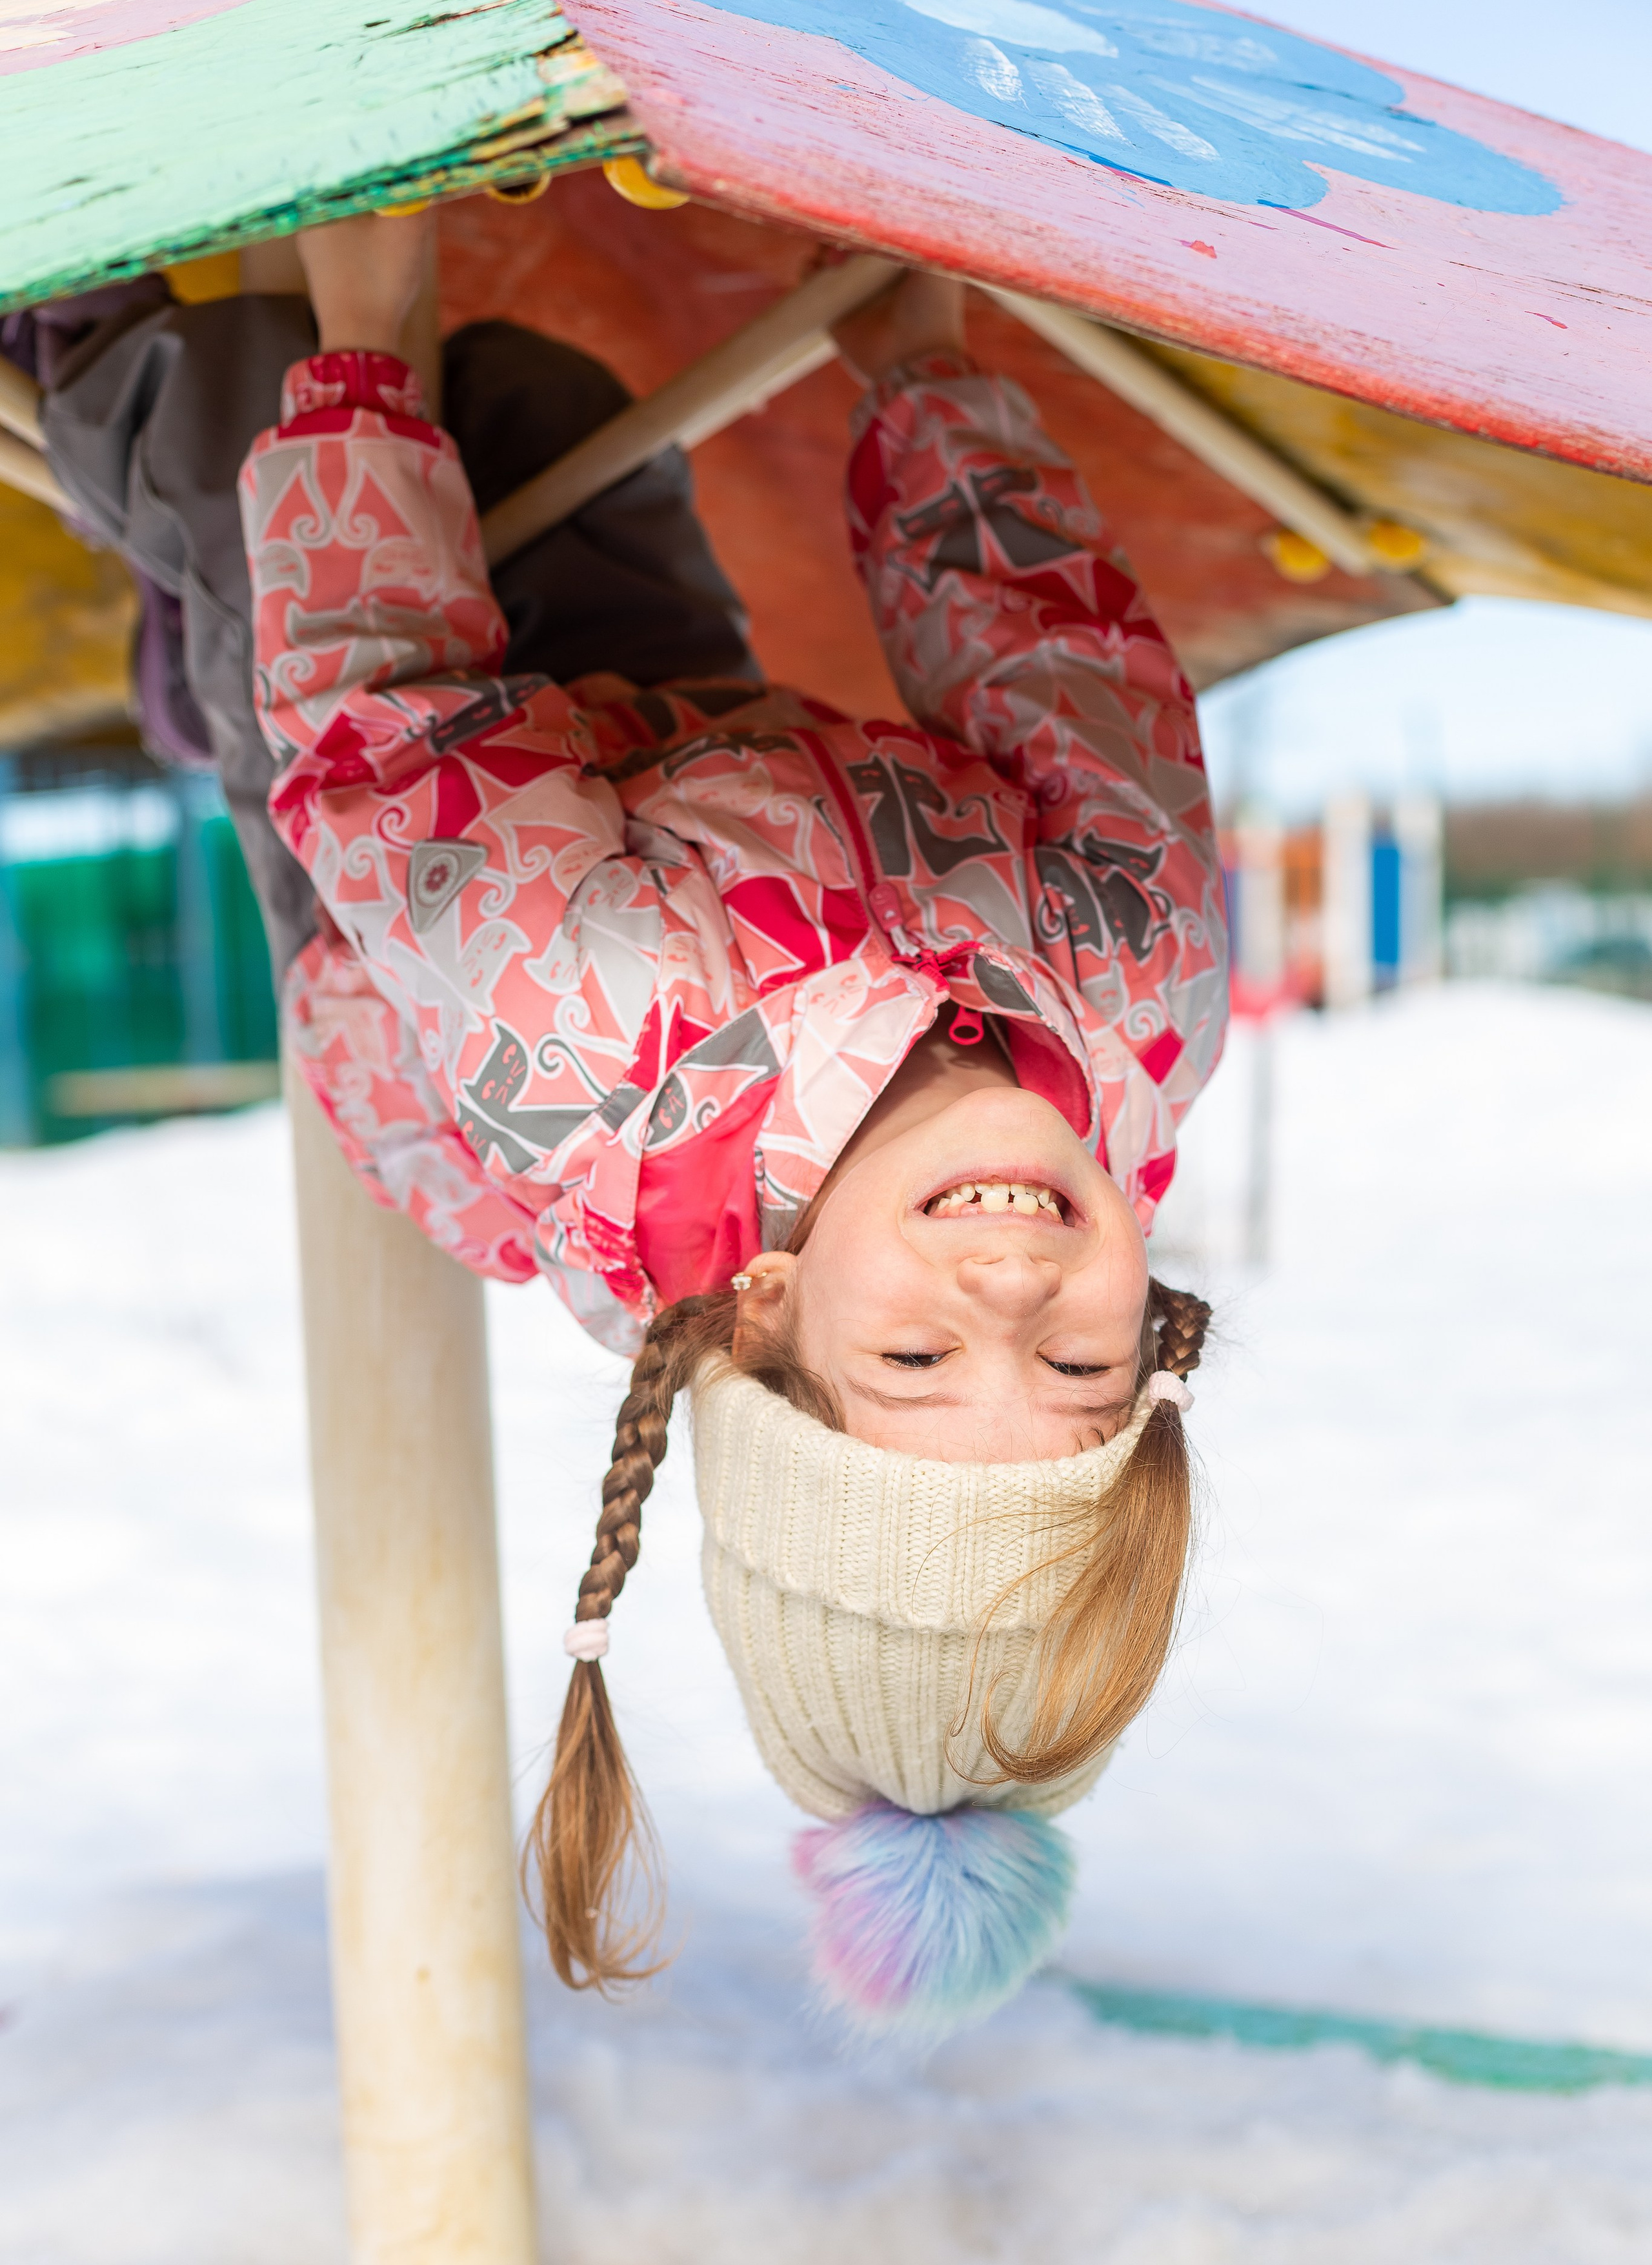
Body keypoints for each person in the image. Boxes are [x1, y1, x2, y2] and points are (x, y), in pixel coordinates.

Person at [43, 210, 1227, 2037]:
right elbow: (1059, 666)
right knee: (537, 403)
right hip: (690, 768)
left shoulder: (588, 1017)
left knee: (263, 419)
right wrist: (923, 365)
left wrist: (363, 338)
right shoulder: (1137, 982)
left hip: (436, 937)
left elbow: (385, 705)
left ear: (763, 1316)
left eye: (919, 1355)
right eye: (1076, 1365)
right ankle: (236, 587)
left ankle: (74, 312)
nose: (1011, 1278)